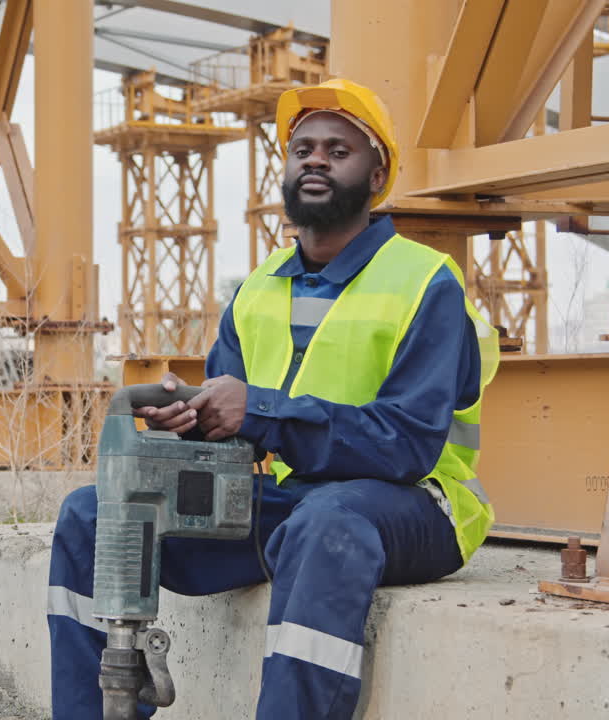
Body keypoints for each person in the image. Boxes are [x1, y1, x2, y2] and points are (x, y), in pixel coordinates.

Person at [46, 78, 500, 719]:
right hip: (294, 505)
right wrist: (192, 422)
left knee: (327, 524)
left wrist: (257, 410)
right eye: (302, 149)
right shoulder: (258, 289)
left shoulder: (425, 282)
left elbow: (408, 444)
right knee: (93, 514)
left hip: (418, 507)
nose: (314, 159)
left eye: (337, 151)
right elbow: (238, 427)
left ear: (376, 179)